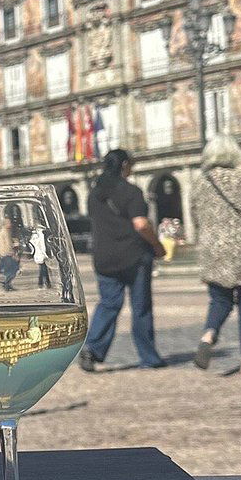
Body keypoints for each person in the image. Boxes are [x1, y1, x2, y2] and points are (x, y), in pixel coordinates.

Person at [190, 135, 241, 375]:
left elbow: (195, 217)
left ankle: (208, 334)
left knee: (219, 300)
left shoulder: (200, 183)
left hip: (212, 250)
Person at [79, 149, 166, 372]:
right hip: (133, 256)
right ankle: (149, 357)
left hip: (104, 257)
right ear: (125, 165)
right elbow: (141, 224)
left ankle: (92, 348)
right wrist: (157, 245)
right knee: (141, 307)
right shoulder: (131, 192)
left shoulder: (94, 194)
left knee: (108, 304)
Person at [0, 212, 21, 292]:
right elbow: (7, 244)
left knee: (8, 270)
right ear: (5, 224)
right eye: (9, 223)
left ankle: (7, 285)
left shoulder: (2, 231)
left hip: (3, 253)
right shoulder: (5, 232)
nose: (11, 224)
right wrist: (13, 253)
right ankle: (6, 284)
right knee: (13, 269)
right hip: (7, 254)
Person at [29, 223, 51, 289]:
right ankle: (44, 283)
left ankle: (43, 283)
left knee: (43, 268)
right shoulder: (40, 236)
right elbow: (42, 245)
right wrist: (44, 253)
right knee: (43, 268)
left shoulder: (35, 236)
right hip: (40, 253)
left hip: (39, 253)